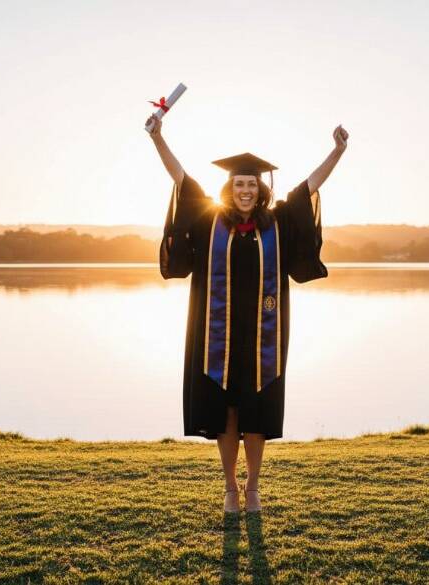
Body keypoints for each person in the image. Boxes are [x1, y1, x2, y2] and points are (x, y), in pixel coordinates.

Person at [147, 112, 349, 513]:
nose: (244, 190)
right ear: (230, 188)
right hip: (215, 337)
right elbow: (181, 178)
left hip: (263, 337)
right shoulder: (209, 221)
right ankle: (229, 488)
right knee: (226, 414)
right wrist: (158, 137)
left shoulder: (277, 223)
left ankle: (253, 487)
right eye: (239, 183)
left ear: (260, 190)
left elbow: (310, 185)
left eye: (251, 184)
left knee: (256, 412)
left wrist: (338, 150)